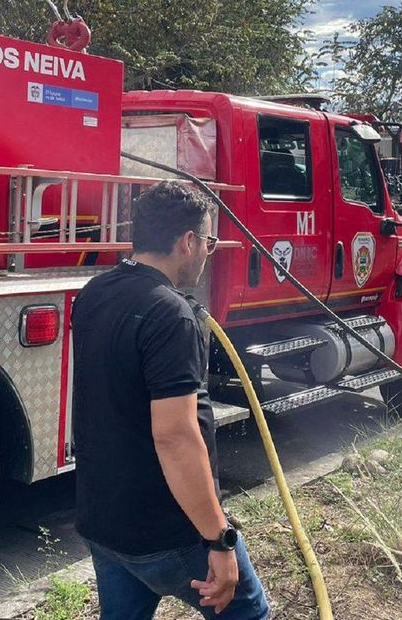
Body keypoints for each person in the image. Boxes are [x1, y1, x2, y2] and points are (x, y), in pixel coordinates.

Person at [71, 181, 269, 620]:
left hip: (104, 523)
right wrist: (219, 540)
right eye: (209, 243)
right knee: (249, 613)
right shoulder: (171, 314)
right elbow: (177, 437)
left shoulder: (93, 293)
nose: (207, 255)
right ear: (188, 241)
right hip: (167, 533)